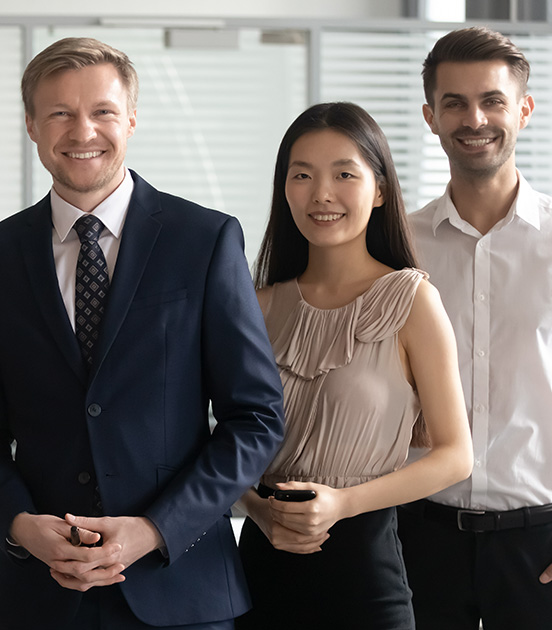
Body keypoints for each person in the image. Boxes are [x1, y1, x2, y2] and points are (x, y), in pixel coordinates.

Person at [0, 37, 286, 630]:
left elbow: (255, 419)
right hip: (42, 596)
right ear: (32, 125)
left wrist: (157, 528)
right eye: (60, 113)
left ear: (131, 118)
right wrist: (23, 527)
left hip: (181, 589)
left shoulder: (204, 240)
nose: (83, 131)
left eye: (102, 111)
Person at [234, 102, 473, 630]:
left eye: (345, 173)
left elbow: (456, 456)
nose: (322, 193)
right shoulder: (255, 304)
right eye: (303, 175)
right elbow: (211, 439)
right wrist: (256, 506)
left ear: (380, 189)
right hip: (255, 569)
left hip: (364, 573)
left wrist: (342, 503)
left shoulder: (412, 301)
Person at [398, 27, 552, 630]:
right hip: (416, 535)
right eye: (455, 103)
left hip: (538, 543)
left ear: (523, 109)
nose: (474, 118)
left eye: (491, 100)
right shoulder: (397, 248)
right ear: (431, 116)